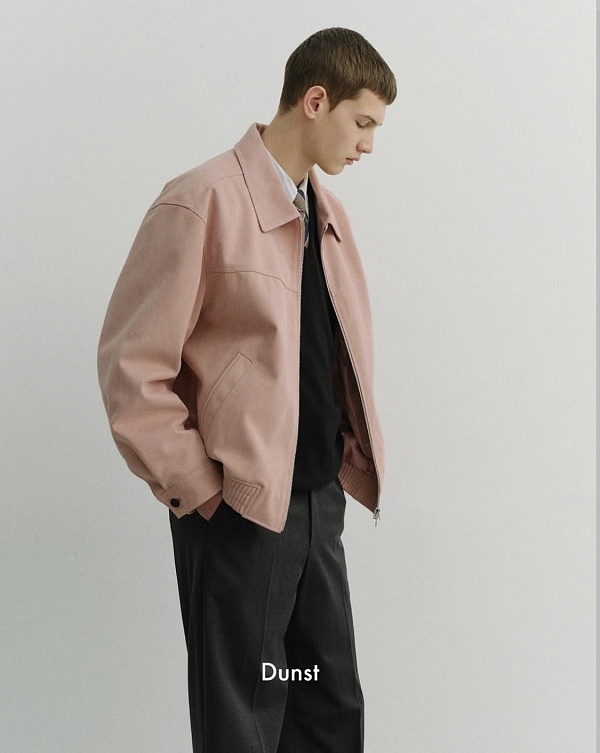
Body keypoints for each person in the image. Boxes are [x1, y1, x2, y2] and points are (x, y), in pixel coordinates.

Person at [97, 26, 396, 753]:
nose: (368, 145)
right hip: (237, 512)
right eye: (362, 123)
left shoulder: (328, 214)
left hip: (318, 504)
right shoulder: (200, 201)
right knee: (243, 719)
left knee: (327, 706)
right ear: (315, 101)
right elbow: (132, 368)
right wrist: (202, 490)